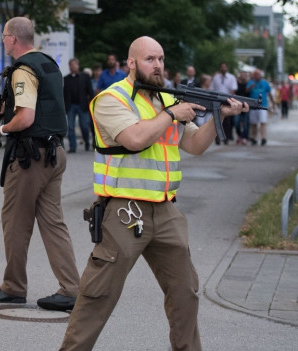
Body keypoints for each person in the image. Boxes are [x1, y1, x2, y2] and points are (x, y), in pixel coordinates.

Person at [58, 36, 248, 351]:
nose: (158, 65)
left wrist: (220, 117)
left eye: (160, 59)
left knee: (185, 292)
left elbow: (195, 145)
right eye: (149, 59)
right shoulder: (112, 98)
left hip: (166, 211)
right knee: (98, 295)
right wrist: (172, 115)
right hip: (124, 211)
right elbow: (134, 138)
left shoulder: (165, 101)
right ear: (130, 63)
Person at [0, 17, 80, 311]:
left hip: (30, 158)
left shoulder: (22, 70)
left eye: (4, 37)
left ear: (12, 39)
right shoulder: (49, 64)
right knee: (53, 223)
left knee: (15, 221)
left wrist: (1, 129)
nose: (3, 41)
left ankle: (13, 287)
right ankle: (72, 289)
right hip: (54, 152)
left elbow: (25, 117)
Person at [63, 57, 94, 153]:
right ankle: (73, 147)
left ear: (78, 65)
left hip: (82, 105)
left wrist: (91, 103)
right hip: (71, 106)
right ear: (69, 66)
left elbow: (90, 91)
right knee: (71, 127)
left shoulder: (85, 77)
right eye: (71, 65)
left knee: (85, 126)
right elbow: (63, 93)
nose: (73, 66)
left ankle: (87, 141)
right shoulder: (66, 79)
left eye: (75, 64)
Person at [211, 62, 237, 144]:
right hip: (217, 100)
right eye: (222, 67)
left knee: (227, 120)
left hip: (227, 100)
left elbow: (233, 89)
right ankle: (217, 137)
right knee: (216, 119)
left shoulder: (231, 77)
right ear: (220, 68)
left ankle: (226, 137)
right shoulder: (216, 78)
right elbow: (212, 89)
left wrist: (230, 101)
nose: (223, 69)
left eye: (224, 67)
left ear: (227, 68)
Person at [246, 69, 274, 146]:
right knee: (254, 123)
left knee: (263, 122)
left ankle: (263, 138)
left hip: (262, 105)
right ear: (254, 75)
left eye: (258, 74)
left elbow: (269, 93)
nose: (257, 76)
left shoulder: (265, 83)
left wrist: (273, 103)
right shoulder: (250, 82)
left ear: (261, 75)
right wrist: (250, 87)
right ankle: (254, 138)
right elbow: (246, 91)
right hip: (253, 106)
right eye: (256, 74)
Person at [234, 71, 250, 145]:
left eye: (244, 75)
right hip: (238, 106)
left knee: (246, 123)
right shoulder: (236, 84)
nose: (243, 76)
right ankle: (240, 135)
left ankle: (244, 137)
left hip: (246, 106)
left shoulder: (248, 84)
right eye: (241, 75)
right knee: (236, 122)